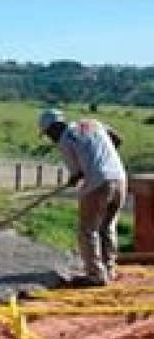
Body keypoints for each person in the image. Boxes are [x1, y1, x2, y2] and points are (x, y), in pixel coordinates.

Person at [38, 109, 127, 287]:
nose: (50, 138)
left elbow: (78, 173)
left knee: (88, 230)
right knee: (108, 226)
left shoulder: (65, 139)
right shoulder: (93, 123)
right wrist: (102, 158)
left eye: (48, 134)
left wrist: (79, 175)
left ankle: (95, 275)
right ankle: (109, 269)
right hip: (120, 178)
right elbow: (118, 138)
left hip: (98, 184)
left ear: (54, 128)